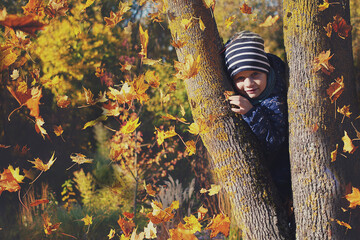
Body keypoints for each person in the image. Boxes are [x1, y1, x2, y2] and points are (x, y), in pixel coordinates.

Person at [224, 30, 291, 204]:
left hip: (283, 174)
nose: (248, 84)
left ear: (266, 71)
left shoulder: (275, 100)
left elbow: (274, 141)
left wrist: (251, 112)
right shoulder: (263, 85)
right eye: (240, 78)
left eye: (255, 75)